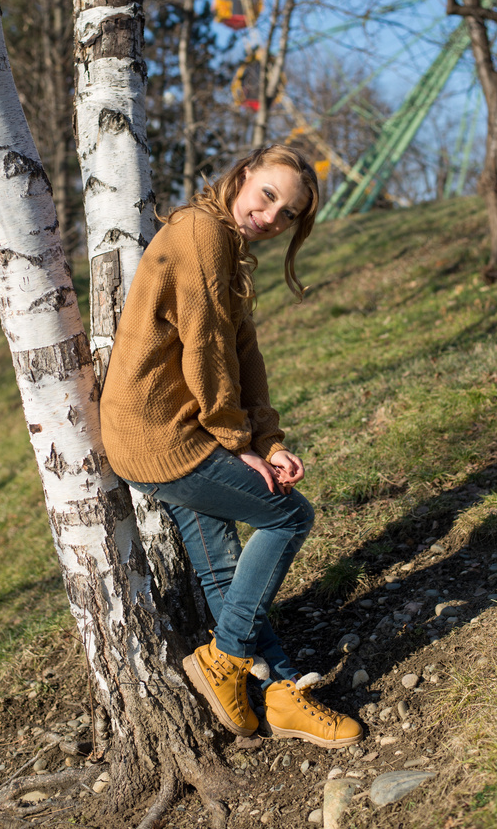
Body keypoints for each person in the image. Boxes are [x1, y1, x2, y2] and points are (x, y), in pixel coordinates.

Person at [100, 144, 363, 748]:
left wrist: (269, 440)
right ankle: (222, 662)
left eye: (289, 214)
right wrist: (236, 441)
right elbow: (207, 350)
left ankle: (282, 694)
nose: (272, 217)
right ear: (242, 176)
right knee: (290, 515)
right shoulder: (201, 231)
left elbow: (245, 356)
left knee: (222, 573)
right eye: (268, 196)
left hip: (167, 431)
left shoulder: (228, 249)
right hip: (161, 433)